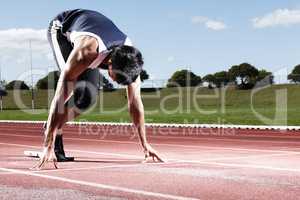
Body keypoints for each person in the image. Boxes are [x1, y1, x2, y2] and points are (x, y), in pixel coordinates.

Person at [34, 9, 163, 169]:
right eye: (115, 78)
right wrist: (47, 145)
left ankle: (52, 125)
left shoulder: (130, 59)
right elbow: (60, 98)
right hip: (62, 29)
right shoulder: (85, 53)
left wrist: (145, 145)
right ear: (109, 64)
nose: (114, 82)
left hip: (96, 35)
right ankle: (53, 133)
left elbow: (135, 105)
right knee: (72, 89)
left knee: (87, 98)